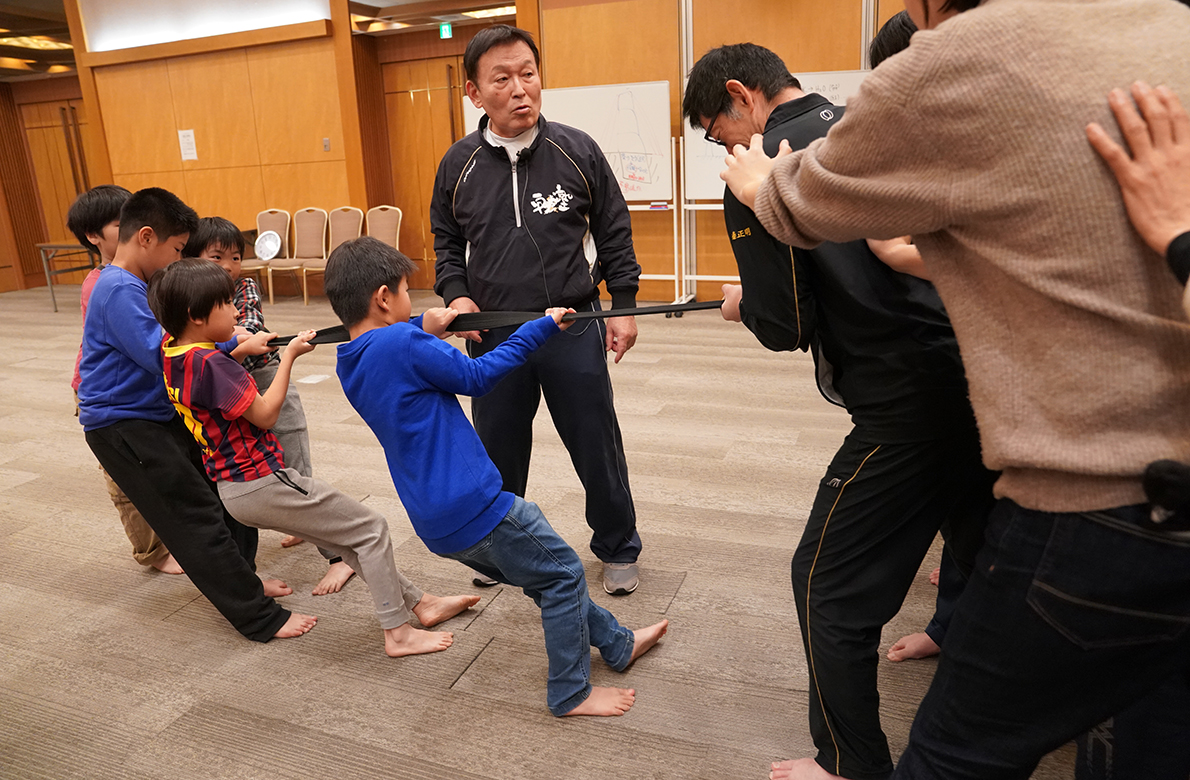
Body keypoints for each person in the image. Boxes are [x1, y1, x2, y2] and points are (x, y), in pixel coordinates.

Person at [719, 0, 1190, 777]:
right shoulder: (1167, 29)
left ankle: (843, 762)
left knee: (855, 620)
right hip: (987, 400)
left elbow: (788, 280)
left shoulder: (942, 70)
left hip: (1084, 488)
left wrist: (756, 183)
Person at [683, 42, 995, 780]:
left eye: (713, 129)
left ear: (742, 96)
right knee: (976, 540)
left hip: (902, 404)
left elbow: (783, 323)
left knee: (823, 583)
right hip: (981, 381)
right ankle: (952, 632)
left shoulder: (763, 169)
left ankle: (851, 764)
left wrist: (742, 306)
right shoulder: (869, 124)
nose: (723, 147)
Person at [325, 236, 668, 715]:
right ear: (384, 298)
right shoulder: (404, 341)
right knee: (564, 575)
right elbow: (477, 376)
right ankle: (571, 692)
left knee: (541, 575)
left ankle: (616, 643)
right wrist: (539, 328)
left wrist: (425, 325)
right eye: (406, 291)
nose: (413, 301)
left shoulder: (351, 359)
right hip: (477, 504)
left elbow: (394, 346)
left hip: (434, 522)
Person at [147, 258, 480, 657]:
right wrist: (287, 357)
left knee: (352, 540)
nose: (236, 312)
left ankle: (422, 604)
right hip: (264, 481)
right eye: (225, 304)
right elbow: (266, 414)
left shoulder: (172, 350)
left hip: (232, 487)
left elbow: (205, 374)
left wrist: (237, 349)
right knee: (371, 528)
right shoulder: (216, 364)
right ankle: (398, 634)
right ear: (195, 316)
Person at [430, 24, 645, 596]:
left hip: (571, 323)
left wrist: (621, 307)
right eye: (502, 78)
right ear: (475, 93)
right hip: (494, 334)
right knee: (497, 445)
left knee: (594, 441)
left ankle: (618, 546)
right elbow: (446, 243)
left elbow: (614, 232)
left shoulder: (575, 150)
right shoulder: (458, 165)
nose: (520, 88)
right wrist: (456, 295)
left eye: (528, 73)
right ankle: (504, 550)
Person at [79, 187, 315, 642]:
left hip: (158, 412)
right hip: (123, 426)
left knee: (224, 499)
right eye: (178, 249)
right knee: (195, 520)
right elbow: (169, 354)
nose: (177, 259)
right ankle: (257, 616)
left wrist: (234, 341)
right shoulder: (116, 289)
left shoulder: (136, 283)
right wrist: (233, 343)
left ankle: (244, 582)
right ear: (146, 237)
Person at [185, 217, 356, 596]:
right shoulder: (190, 301)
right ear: (192, 258)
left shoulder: (243, 287)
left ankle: (338, 556)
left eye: (235, 257)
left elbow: (246, 332)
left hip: (266, 383)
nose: (229, 266)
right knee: (269, 471)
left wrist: (225, 346)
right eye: (216, 257)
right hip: (231, 403)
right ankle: (302, 525)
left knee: (298, 470)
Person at [67, 185, 182, 576]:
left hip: (136, 388)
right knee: (124, 482)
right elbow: (144, 344)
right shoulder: (105, 285)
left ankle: (172, 538)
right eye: (120, 223)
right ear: (94, 236)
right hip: (102, 395)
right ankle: (152, 552)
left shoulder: (136, 276)